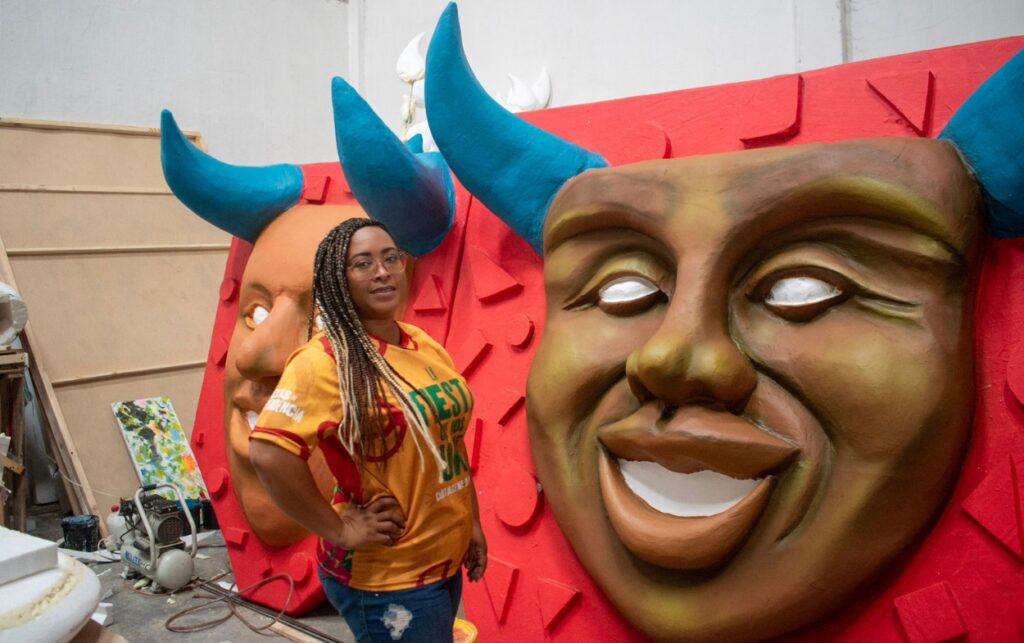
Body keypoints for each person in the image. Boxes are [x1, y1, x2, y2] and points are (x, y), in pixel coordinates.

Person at [249, 218, 486, 643]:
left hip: (441, 557)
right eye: (362, 263)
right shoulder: (322, 362)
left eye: (390, 257)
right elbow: (269, 454)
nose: (382, 271)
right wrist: (339, 529)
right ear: (338, 281)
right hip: (390, 575)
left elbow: (447, 442)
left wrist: (472, 522)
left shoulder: (420, 343)